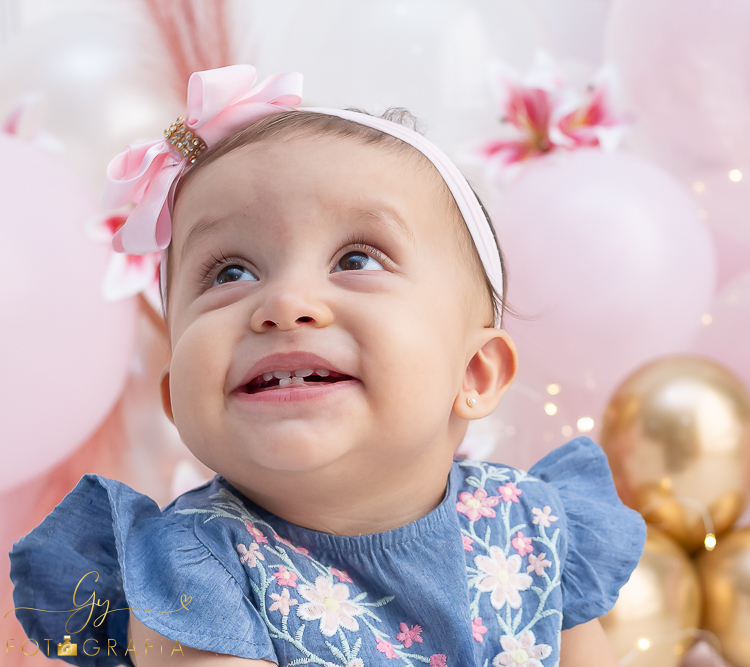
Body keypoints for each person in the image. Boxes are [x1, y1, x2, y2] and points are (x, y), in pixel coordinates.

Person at [9, 65, 645, 667]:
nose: (285, 305)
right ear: (176, 397)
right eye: (230, 272)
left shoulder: (531, 526)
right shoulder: (192, 567)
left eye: (357, 260)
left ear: (474, 374)